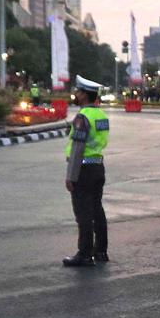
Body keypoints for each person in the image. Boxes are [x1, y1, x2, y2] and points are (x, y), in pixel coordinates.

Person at [61, 75, 111, 267]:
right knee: (97, 209)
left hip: (82, 169)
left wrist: (70, 176)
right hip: (98, 166)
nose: (75, 94)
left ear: (84, 95)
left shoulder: (83, 117)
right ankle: (101, 250)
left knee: (83, 213)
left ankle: (84, 254)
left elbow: (77, 149)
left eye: (78, 91)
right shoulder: (101, 115)